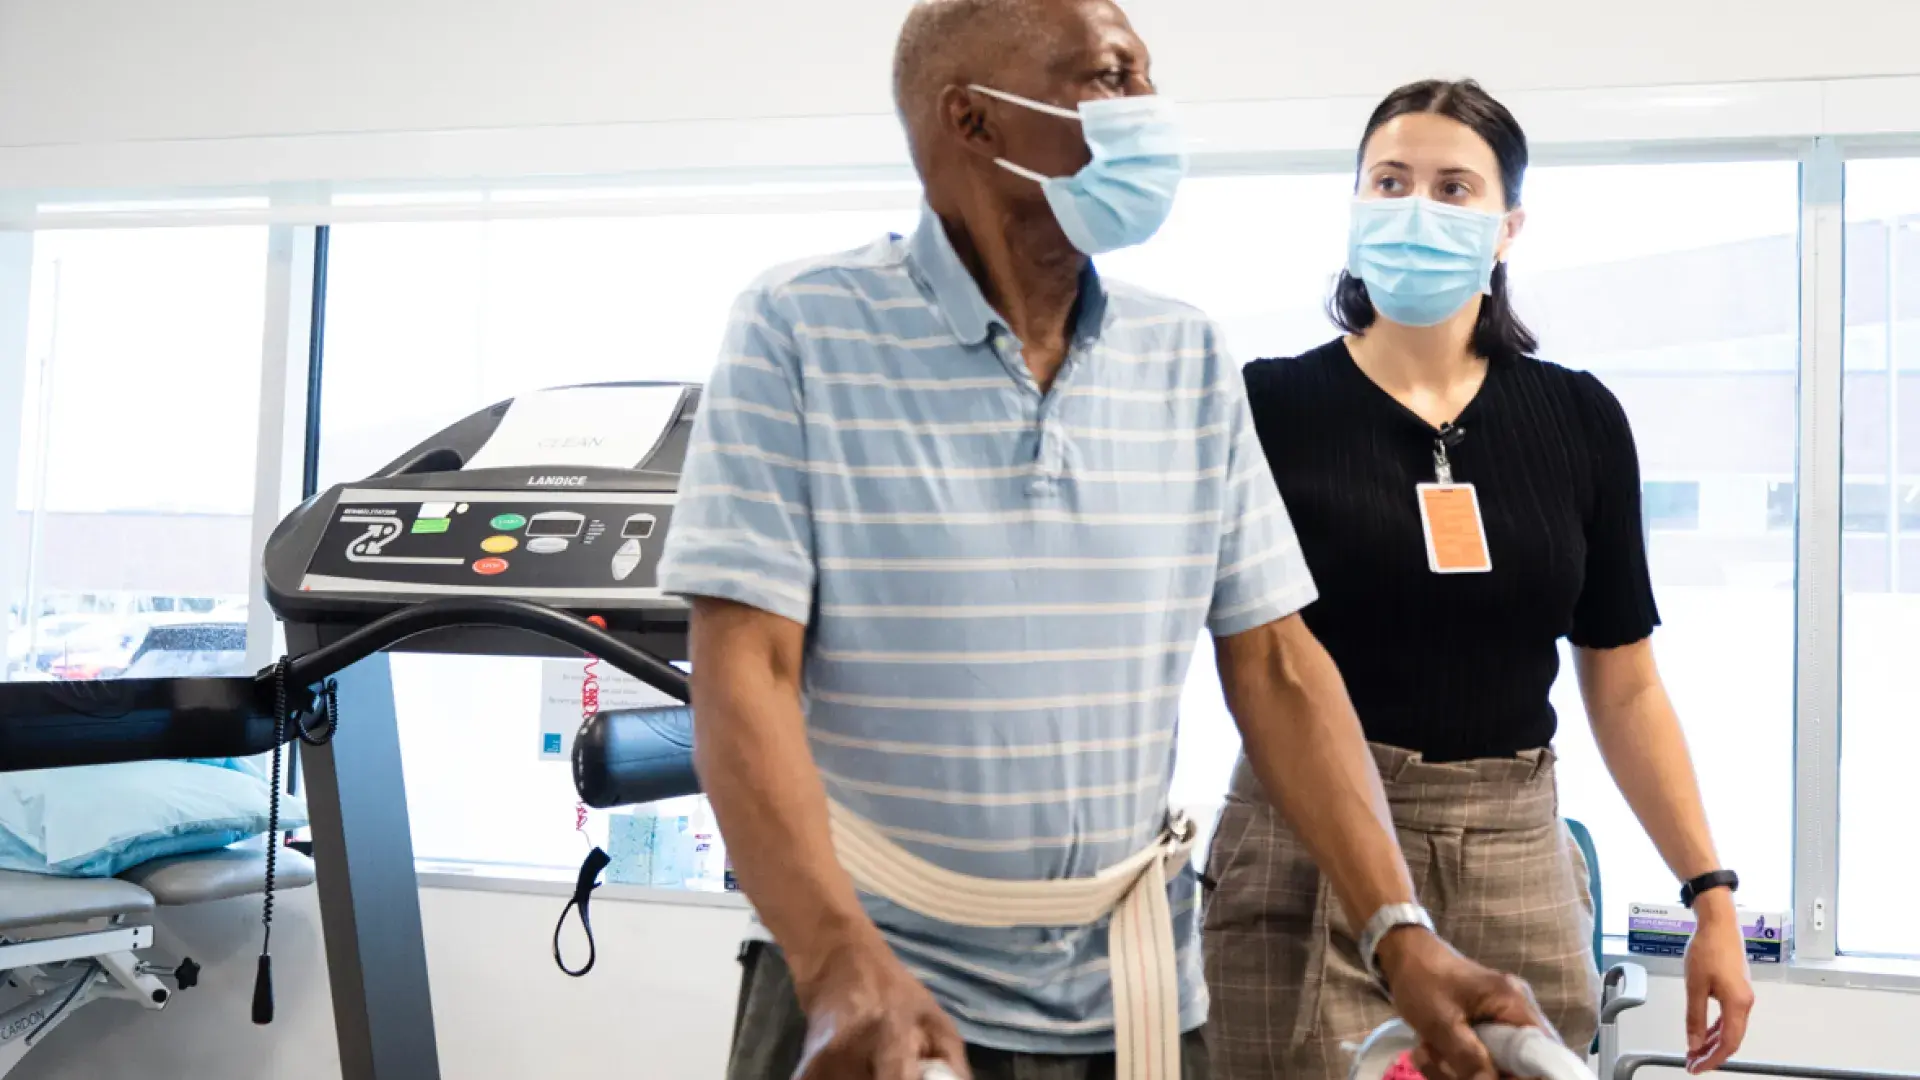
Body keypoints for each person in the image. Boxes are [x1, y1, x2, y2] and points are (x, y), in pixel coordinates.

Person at [659, 4, 1554, 1079]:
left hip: (1130, 1001)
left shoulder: (1181, 355)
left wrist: (1397, 932)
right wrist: (835, 956)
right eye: (1109, 77)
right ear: (976, 119)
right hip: (870, 1002)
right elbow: (742, 673)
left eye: (1144, 77)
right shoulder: (799, 328)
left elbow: (1275, 665)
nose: (1147, 110)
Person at [1202, 78, 1758, 1080]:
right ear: (1355, 205)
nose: (1417, 207)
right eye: (1390, 180)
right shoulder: (1267, 407)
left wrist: (1709, 893)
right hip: (1308, 843)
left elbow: (1624, 683)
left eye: (1454, 187)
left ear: (1508, 226)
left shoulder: (1579, 420)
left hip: (1514, 847)